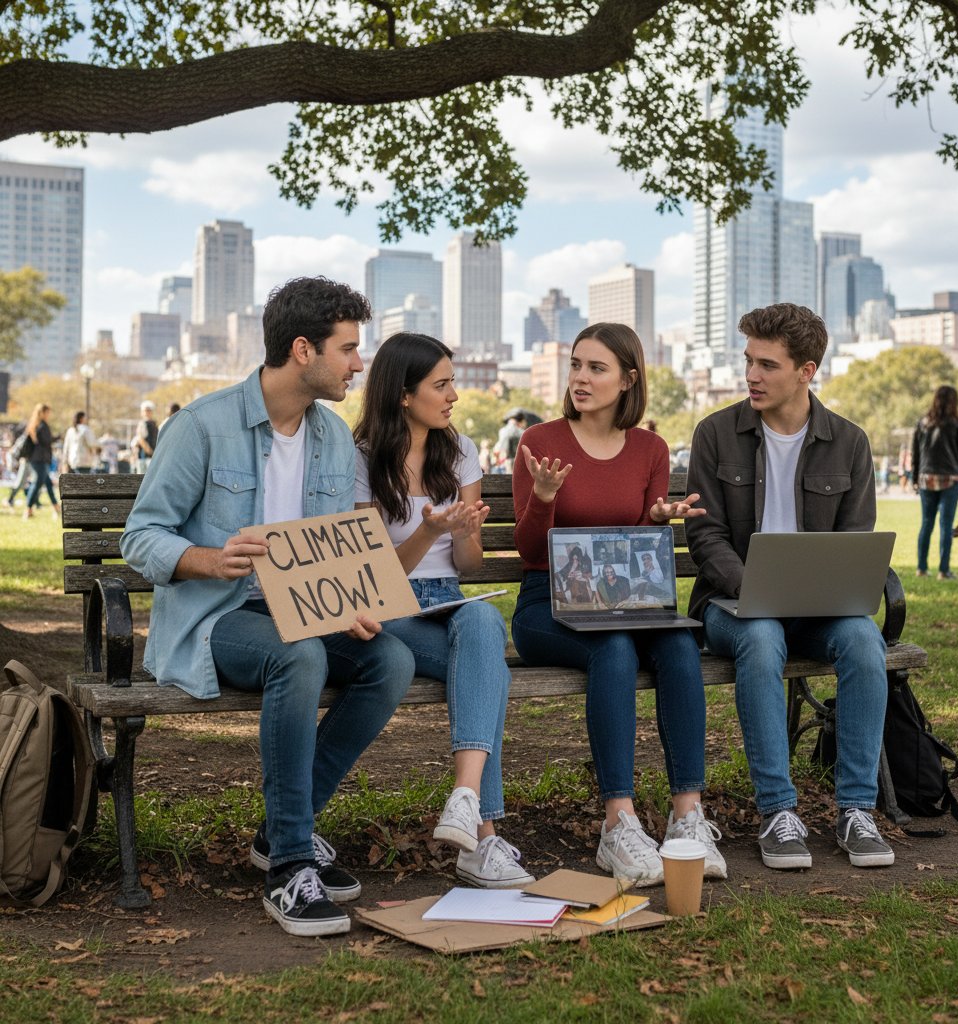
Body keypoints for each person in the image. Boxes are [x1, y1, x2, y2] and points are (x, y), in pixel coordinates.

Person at [121, 277, 416, 937]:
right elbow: (139, 537)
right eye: (347, 349)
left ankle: (286, 827)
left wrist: (353, 601)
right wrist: (205, 557)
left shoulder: (333, 438)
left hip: (302, 612)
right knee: (300, 654)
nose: (358, 363)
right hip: (215, 617)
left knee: (390, 661)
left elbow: (334, 550)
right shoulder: (201, 425)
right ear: (303, 349)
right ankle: (288, 867)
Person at [511, 322, 726, 886]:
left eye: (596, 368)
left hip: (627, 604)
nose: (581, 378)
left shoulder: (650, 448)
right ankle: (619, 824)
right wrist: (544, 499)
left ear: (628, 379)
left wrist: (655, 522)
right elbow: (533, 552)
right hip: (548, 605)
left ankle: (686, 818)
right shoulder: (540, 444)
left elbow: (635, 553)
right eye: (577, 365)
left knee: (679, 643)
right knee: (613, 649)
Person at [685, 303, 894, 872]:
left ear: (807, 370)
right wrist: (755, 587)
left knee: (862, 641)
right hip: (732, 604)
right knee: (760, 635)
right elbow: (705, 537)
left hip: (820, 608)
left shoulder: (848, 442)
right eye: (748, 360)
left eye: (767, 364)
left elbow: (854, 538)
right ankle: (778, 811)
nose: (751, 375)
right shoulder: (715, 434)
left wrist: (819, 590)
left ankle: (857, 810)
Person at [352, 332, 533, 889]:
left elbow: (469, 566)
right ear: (404, 395)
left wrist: (465, 533)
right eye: (442, 384)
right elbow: (375, 577)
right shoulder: (360, 459)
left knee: (480, 621)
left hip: (451, 603)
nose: (454, 394)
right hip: (395, 607)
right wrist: (427, 529)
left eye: (453, 381)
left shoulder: (459, 452)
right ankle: (484, 835)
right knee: (487, 668)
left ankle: (464, 798)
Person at [912, 386, 958, 579]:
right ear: (954, 402)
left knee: (926, 524)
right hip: (951, 479)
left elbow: (916, 452)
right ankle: (944, 570)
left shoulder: (923, 422)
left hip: (926, 478)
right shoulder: (957, 423)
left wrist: (915, 477)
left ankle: (922, 568)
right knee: (946, 525)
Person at [23, 403, 60, 519]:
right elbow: (46, 442)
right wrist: (58, 437)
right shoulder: (42, 425)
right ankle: (28, 510)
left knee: (48, 483)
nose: (49, 415)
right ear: (42, 413)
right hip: (40, 459)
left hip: (38, 459)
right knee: (38, 483)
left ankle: (56, 508)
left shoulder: (36, 425)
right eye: (48, 412)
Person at [132, 401, 159, 472]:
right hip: (144, 457)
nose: (147, 412)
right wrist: (151, 452)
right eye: (145, 410)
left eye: (149, 410)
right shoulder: (142, 424)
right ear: (142, 412)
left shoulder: (154, 424)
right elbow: (141, 439)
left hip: (152, 457)